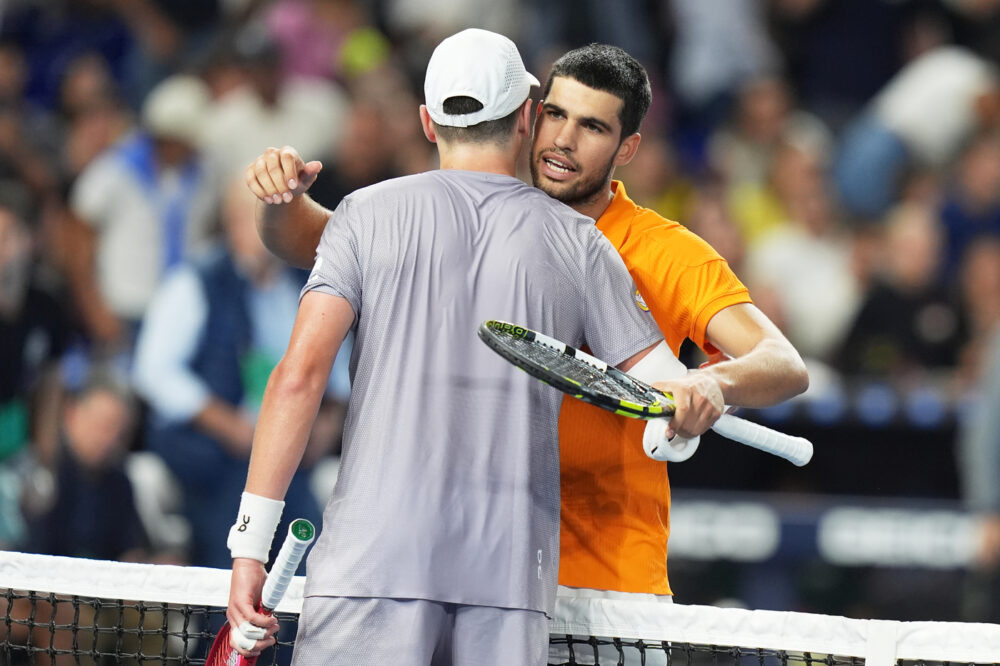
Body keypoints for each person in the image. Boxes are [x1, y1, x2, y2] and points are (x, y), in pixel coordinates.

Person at [247, 42, 808, 622]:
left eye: (592, 126)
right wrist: (279, 199)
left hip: (605, 586)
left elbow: (783, 363)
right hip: (481, 569)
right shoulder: (478, 210)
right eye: (555, 115)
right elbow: (318, 239)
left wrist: (713, 382)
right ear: (529, 116)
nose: (564, 139)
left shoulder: (669, 252)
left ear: (628, 148)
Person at [229, 29, 663, 665]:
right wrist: (705, 395)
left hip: (372, 562)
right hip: (509, 576)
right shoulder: (582, 242)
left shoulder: (363, 215)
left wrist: (250, 547)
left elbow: (298, 377)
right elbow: (665, 389)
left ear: (428, 123)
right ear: (527, 118)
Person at [132, 179, 342, 569]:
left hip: (289, 447)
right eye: (263, 218)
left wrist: (325, 425)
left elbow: (339, 369)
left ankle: (302, 606)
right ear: (232, 221)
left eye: (283, 218)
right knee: (237, 529)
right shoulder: (196, 281)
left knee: (307, 535)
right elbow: (154, 371)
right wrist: (227, 424)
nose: (273, 229)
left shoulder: (308, 281)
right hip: (212, 450)